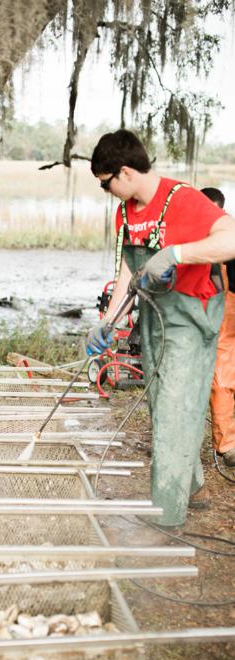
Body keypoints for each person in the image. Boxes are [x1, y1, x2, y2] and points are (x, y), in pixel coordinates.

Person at [87, 129, 235, 527]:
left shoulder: (183, 199)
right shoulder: (126, 212)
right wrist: (109, 320)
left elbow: (232, 239)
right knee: (161, 405)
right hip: (155, 317)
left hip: (191, 317)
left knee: (174, 409)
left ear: (123, 173)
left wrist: (178, 253)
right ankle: (192, 486)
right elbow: (126, 270)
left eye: (106, 185)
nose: (106, 193)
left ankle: (166, 516)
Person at [200, 187, 235, 467]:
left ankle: (227, 444)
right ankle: (227, 445)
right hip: (215, 311)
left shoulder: (225, 235)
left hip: (227, 308)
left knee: (222, 378)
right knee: (222, 379)